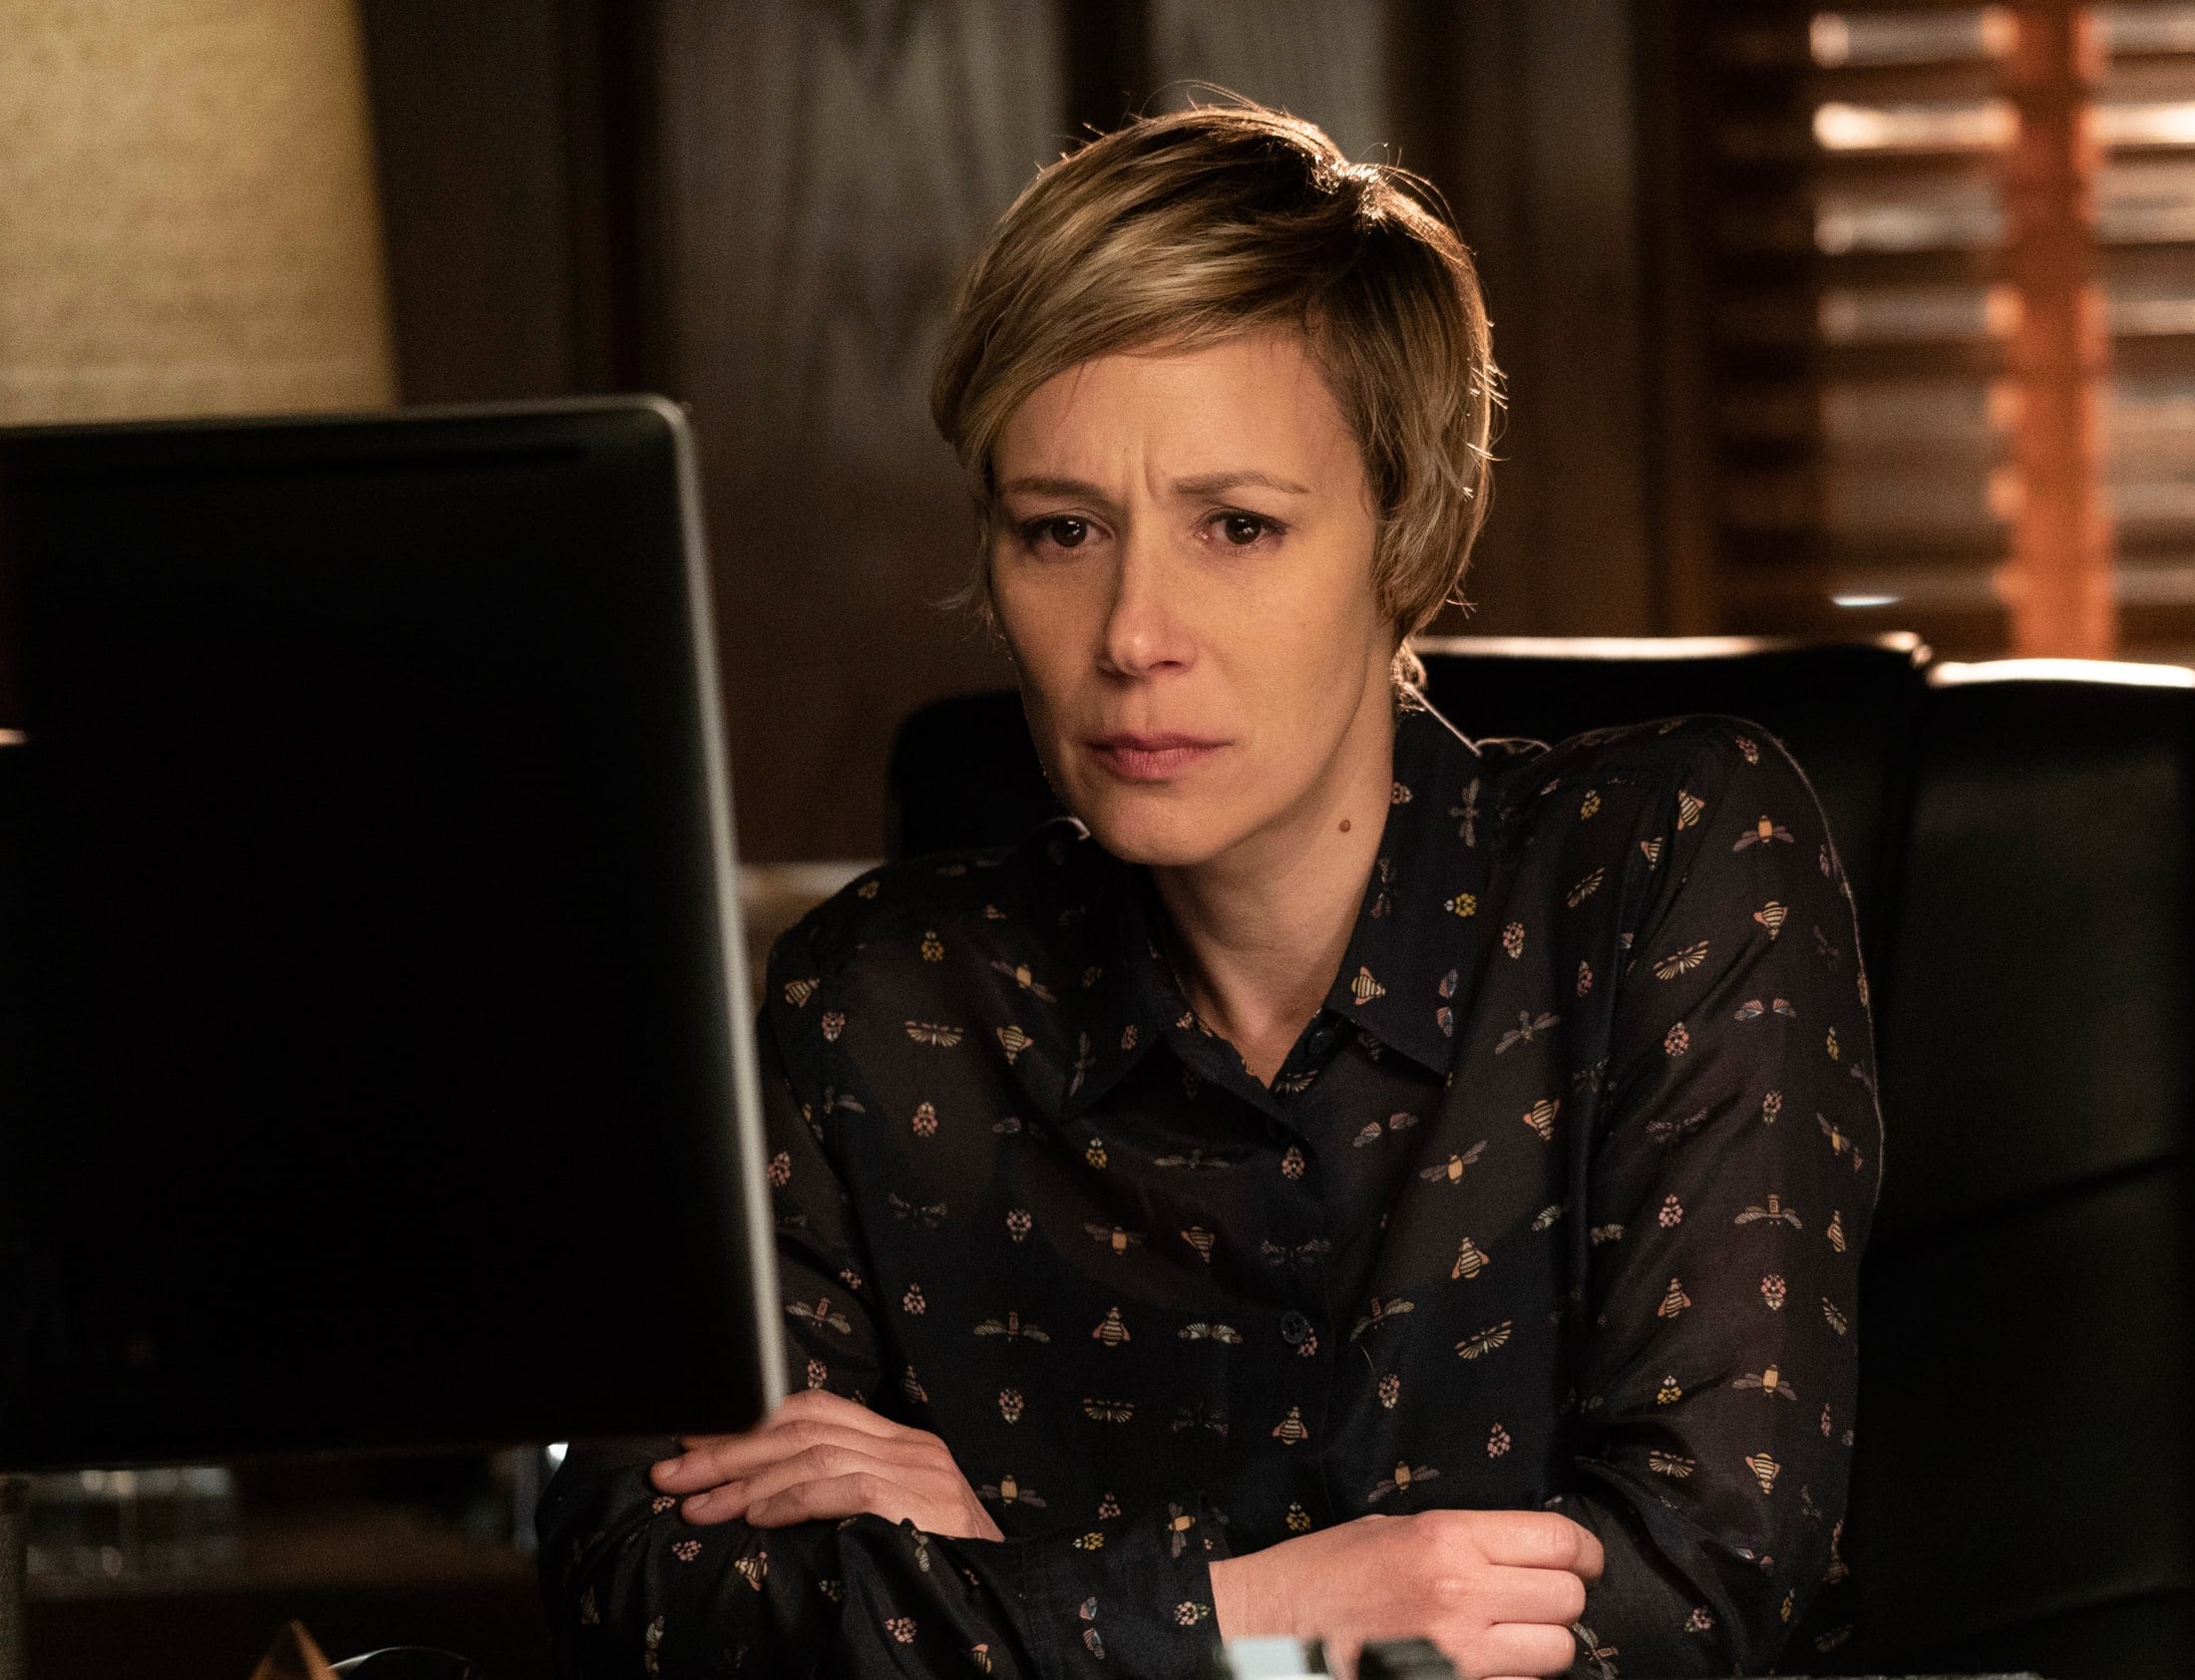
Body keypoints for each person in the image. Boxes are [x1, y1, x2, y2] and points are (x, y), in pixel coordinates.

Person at [540, 101, 1882, 1680]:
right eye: (1061, 529)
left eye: (1237, 526)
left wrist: (1021, 1560)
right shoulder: (877, 997)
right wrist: (1260, 1611)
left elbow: (1693, 1592)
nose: (1130, 633)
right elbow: (645, 1589)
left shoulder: (1668, 861)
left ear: (1409, 533)